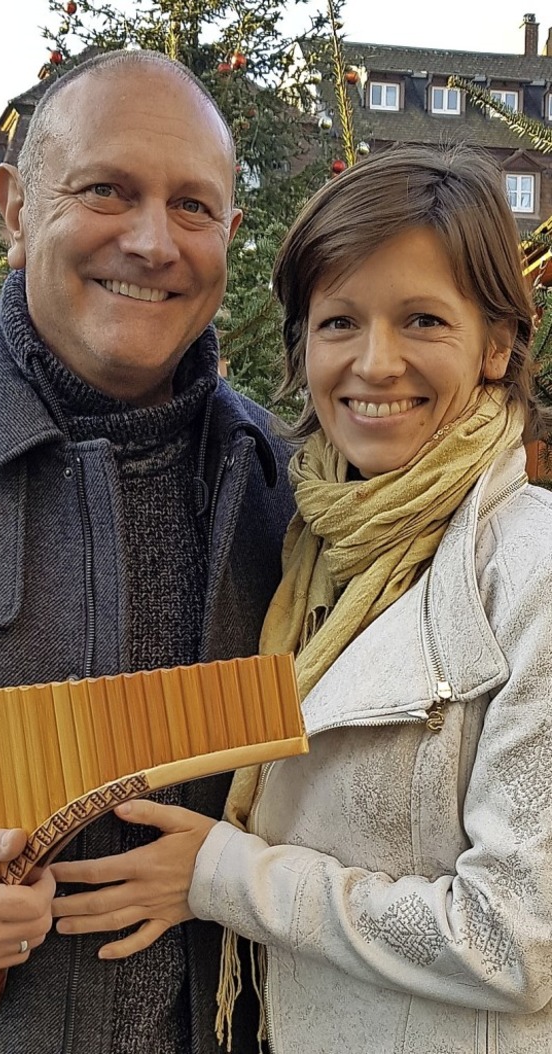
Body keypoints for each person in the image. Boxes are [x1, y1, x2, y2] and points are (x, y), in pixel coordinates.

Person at [53, 144, 552, 1053]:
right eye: (338, 322)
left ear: (500, 344)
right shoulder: (309, 540)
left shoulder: (532, 569)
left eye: (424, 320)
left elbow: (514, 942)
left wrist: (225, 876)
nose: (375, 363)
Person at [0, 50, 294, 1054]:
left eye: (193, 207)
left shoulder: (288, 488)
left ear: (229, 233)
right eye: (106, 190)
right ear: (14, 206)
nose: (151, 241)